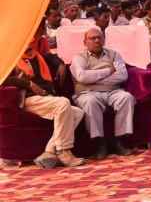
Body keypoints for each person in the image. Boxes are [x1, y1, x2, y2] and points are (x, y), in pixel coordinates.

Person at [2, 37, 85, 168]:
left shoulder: (40, 57)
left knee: (78, 113)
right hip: (29, 98)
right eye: (26, 43)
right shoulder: (12, 60)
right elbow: (4, 78)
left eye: (32, 43)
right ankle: (63, 150)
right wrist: (28, 84)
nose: (29, 46)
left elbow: (54, 57)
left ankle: (49, 151)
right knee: (63, 103)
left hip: (46, 98)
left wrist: (61, 65)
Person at [71, 28, 134, 159]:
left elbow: (122, 75)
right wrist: (108, 71)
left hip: (113, 91)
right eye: (92, 38)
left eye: (99, 37)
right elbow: (82, 77)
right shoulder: (79, 57)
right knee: (90, 102)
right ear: (85, 42)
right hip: (88, 92)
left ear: (104, 40)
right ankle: (99, 143)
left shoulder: (114, 55)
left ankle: (119, 140)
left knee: (126, 97)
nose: (97, 40)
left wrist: (93, 80)